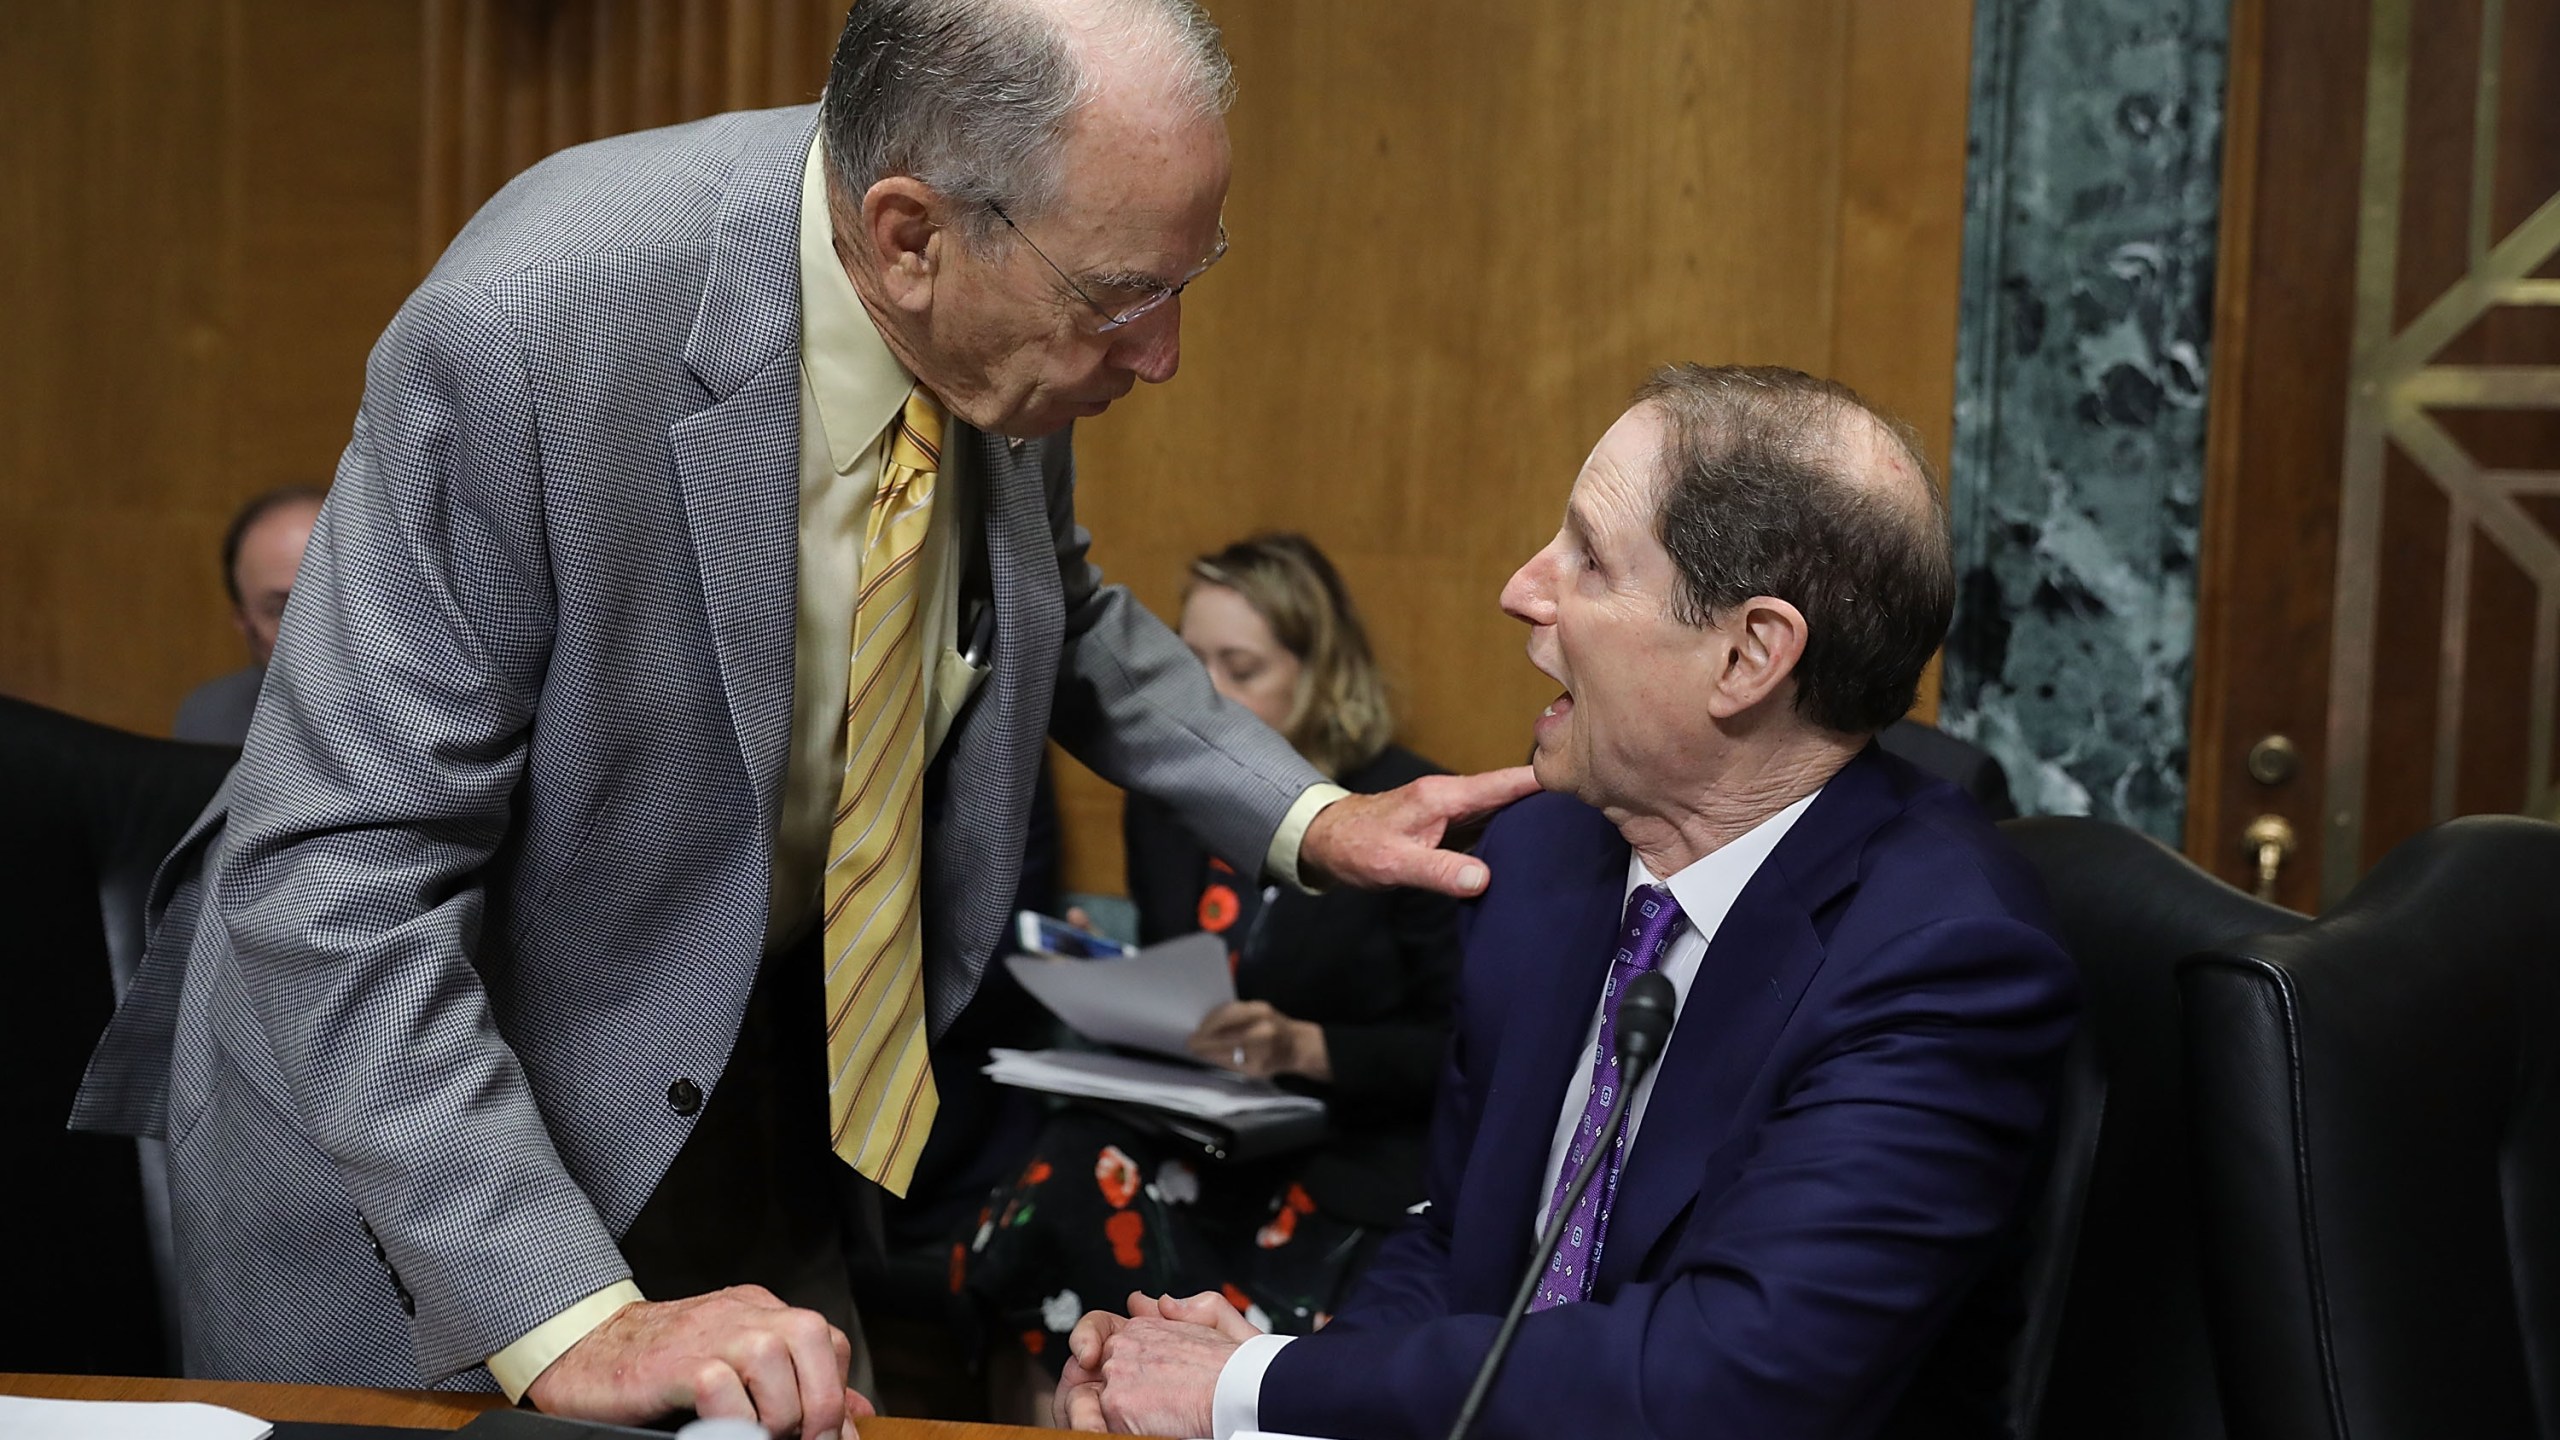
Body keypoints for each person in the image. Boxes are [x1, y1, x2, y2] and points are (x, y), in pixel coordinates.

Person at [70, 2, 1533, 1433]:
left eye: (1182, 278)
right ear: (907, 239)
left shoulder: (997, 323)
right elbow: (332, 877)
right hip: (430, 1145)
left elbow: (1056, 605)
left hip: (756, 1087)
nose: (1162, 357)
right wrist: (575, 1318)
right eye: (1118, 300)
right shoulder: (527, 329)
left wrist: (1312, 818)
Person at [1054, 365, 2081, 1439]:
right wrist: (1294, 1393)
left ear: (1750, 654)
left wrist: (1247, 1385)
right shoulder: (1544, 853)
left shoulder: (1945, 956)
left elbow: (1727, 1382)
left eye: (1587, 557)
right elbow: (1454, 1245)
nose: (1521, 588)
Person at [964, 534, 1463, 1369]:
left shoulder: (1403, 815)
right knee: (1061, 1178)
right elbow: (1183, 983)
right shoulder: (1167, 808)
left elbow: (1461, 1052)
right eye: (1193, 668)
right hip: (1205, 1135)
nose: (1213, 696)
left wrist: (1307, 1047)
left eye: (1243, 668)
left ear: (1322, 673)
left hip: (1346, 1153)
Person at [172, 485, 325, 745]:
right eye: (281, 610)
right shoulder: (214, 721)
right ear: (245, 623)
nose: (315, 626)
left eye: (334, 597)